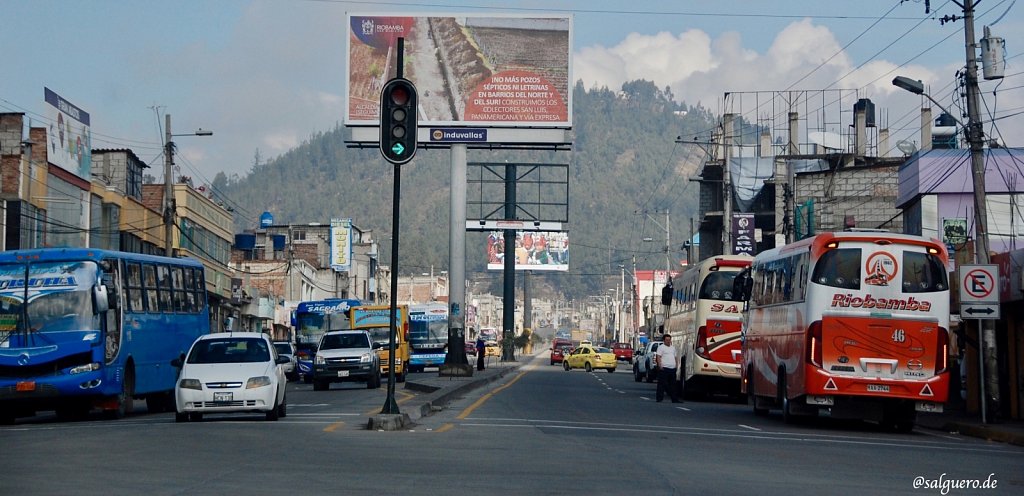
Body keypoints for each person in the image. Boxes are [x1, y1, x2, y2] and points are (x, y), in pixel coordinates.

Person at [655, 334, 681, 403]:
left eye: (669, 340)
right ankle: (659, 398)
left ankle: (674, 399)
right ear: (664, 340)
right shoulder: (661, 347)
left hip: (672, 369)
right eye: (667, 340)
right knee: (662, 384)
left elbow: (675, 357)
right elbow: (658, 357)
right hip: (664, 368)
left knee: (673, 385)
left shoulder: (673, 348)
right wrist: (660, 365)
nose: (668, 341)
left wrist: (676, 365)